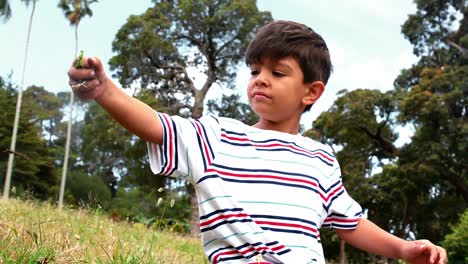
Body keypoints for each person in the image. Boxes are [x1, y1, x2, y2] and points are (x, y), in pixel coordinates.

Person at [68, 20, 447, 264]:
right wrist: (105, 91)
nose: (260, 79)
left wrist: (402, 247)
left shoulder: (321, 159)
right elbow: (158, 127)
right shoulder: (218, 136)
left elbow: (351, 223)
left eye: (277, 72)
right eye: (254, 70)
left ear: (311, 92)